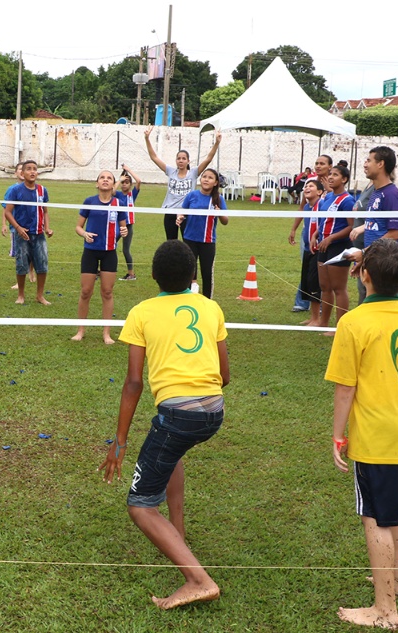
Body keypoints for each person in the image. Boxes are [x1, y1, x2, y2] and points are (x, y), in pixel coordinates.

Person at [99, 239, 229, 610]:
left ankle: (198, 580)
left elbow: (134, 382)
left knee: (140, 506)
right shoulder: (210, 307)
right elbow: (224, 374)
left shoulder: (141, 312)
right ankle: (178, 534)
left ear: (153, 276)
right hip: (214, 411)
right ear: (193, 275)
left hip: (179, 416)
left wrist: (119, 441)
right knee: (172, 452)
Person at [326, 238, 398, 630]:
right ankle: (397, 583)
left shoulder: (353, 323)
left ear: (363, 274)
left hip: (376, 435)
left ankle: (385, 610)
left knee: (376, 518)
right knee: (395, 509)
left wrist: (338, 435)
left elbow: (344, 388)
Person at [72, 170, 129, 344]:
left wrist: (124, 231)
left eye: (109, 178)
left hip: (109, 253)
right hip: (90, 251)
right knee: (85, 291)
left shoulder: (118, 203)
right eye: (102, 178)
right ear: (97, 183)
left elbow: (123, 227)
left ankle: (106, 333)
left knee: (107, 291)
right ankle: (80, 330)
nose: (105, 180)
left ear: (113, 185)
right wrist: (84, 234)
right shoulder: (89, 202)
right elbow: (78, 227)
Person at [144, 127, 221, 240]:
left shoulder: (193, 173)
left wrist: (217, 142)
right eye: (178, 158)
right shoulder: (171, 171)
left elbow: (208, 159)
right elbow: (154, 157)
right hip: (170, 211)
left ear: (188, 161)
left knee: (187, 242)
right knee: (171, 242)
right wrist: (147, 138)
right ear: (176, 160)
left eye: (184, 158)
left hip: (186, 213)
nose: (181, 160)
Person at [3, 160, 53, 305]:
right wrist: (18, 228)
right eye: (29, 169)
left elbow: (45, 211)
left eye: (35, 169)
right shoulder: (16, 190)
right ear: (22, 173)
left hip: (38, 235)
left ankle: (40, 295)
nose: (32, 172)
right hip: (22, 235)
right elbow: (7, 212)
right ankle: (21, 295)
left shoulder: (42, 191)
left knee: (42, 264)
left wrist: (47, 228)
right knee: (21, 265)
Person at [313, 165, 355, 330]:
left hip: (339, 246)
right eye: (330, 174)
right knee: (325, 286)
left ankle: (340, 327)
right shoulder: (328, 197)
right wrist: (316, 235)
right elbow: (324, 221)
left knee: (339, 288)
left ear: (344, 179)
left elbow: (351, 226)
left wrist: (331, 238)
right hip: (324, 245)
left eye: (335, 175)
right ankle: (324, 323)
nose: (330, 177)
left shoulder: (347, 200)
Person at [177, 168, 229, 299]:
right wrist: (180, 217)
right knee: (188, 271)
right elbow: (182, 211)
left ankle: (207, 301)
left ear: (216, 182)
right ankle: (187, 299)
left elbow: (225, 221)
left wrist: (219, 213)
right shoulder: (192, 196)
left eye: (210, 177)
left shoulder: (218, 199)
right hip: (189, 239)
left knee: (206, 273)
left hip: (208, 241)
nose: (206, 179)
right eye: (204, 176)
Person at [290, 180, 325, 326]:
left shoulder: (322, 205)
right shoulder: (306, 207)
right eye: (306, 186)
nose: (307, 188)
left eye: (311, 186)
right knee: (308, 282)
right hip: (307, 249)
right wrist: (293, 229)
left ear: (319, 192)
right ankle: (313, 317)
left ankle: (318, 319)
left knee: (315, 283)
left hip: (318, 249)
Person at [2, 162, 35, 289]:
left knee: (32, 252)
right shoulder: (12, 190)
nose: (22, 172)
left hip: (31, 227)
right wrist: (3, 224)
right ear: (17, 173)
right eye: (20, 169)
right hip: (16, 228)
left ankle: (30, 271)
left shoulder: (34, 189)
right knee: (20, 254)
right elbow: (5, 208)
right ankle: (20, 280)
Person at [116, 164, 141, 281]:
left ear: (130, 184)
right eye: (123, 182)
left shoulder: (132, 195)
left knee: (126, 249)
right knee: (108, 246)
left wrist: (129, 170)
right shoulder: (117, 194)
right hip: (117, 225)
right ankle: (103, 269)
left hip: (128, 226)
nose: (124, 184)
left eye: (127, 182)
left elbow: (139, 181)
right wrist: (119, 180)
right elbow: (111, 190)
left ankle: (131, 274)